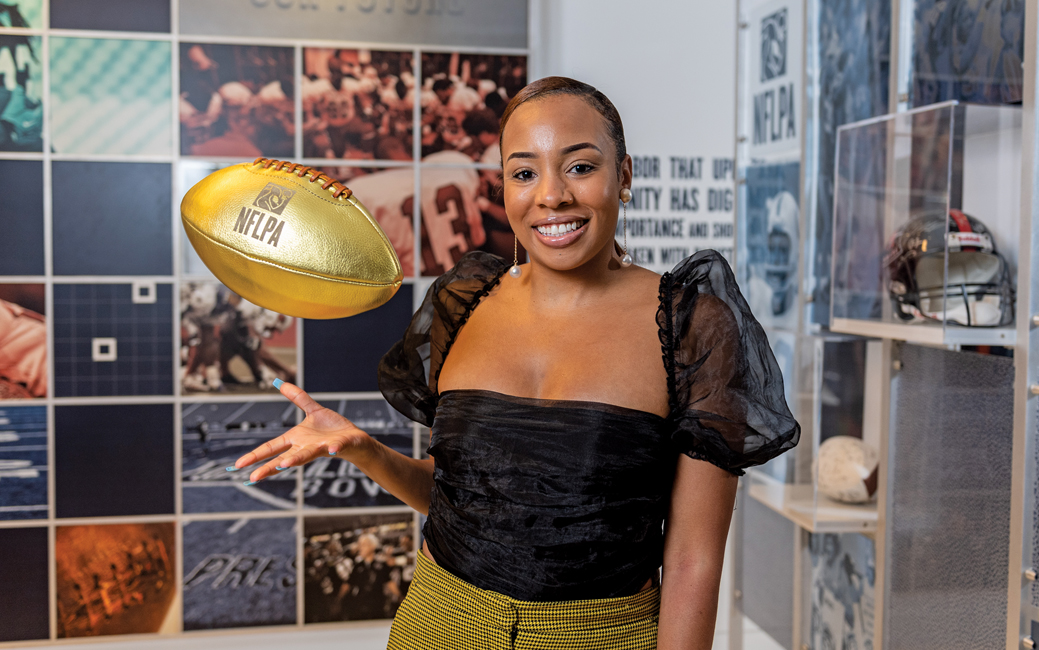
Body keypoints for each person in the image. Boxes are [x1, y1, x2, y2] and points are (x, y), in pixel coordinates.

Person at [232, 76, 799, 649]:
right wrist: (363, 449)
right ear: (503, 186)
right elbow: (474, 500)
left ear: (624, 176)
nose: (550, 196)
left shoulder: (691, 325)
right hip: (437, 624)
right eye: (524, 173)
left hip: (600, 637)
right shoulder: (464, 303)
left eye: (580, 166)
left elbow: (692, 563)